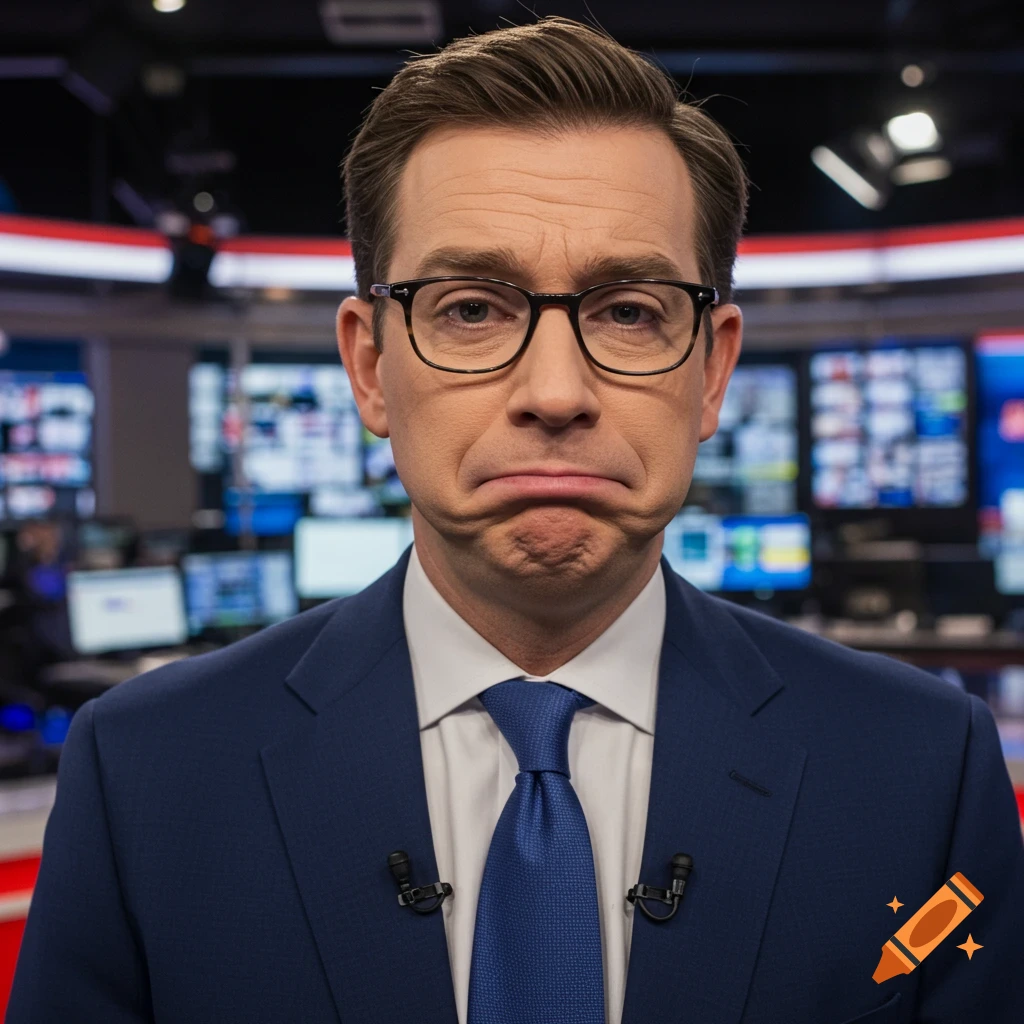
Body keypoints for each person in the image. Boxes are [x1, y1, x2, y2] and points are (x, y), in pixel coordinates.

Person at [8, 16, 1023, 1024]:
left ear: (712, 370)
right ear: (368, 365)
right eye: (470, 308)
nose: (553, 390)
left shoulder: (920, 768)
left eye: (628, 309)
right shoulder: (147, 769)